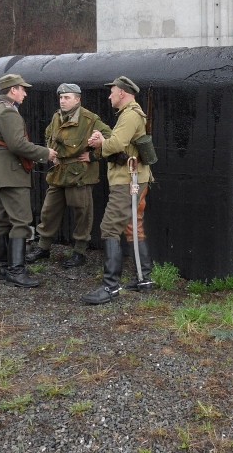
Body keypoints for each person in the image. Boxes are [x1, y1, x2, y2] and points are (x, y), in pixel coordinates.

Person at [81, 76, 153, 304]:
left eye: (112, 92)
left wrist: (100, 141)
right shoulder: (130, 114)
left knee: (110, 227)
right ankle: (144, 279)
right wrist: (103, 139)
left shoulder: (130, 115)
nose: (109, 96)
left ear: (122, 92)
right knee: (133, 226)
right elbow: (120, 142)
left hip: (128, 180)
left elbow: (115, 145)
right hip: (132, 178)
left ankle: (110, 287)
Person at [26, 83, 112, 268]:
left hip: (79, 175)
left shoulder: (90, 119)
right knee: (48, 211)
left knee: (82, 212)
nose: (62, 101)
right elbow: (49, 134)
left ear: (78, 99)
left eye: (67, 98)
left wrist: (93, 155)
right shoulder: (57, 116)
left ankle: (79, 252)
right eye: (61, 98)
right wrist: (51, 153)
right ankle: (43, 248)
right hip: (58, 173)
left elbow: (112, 140)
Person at [0, 73, 54, 288]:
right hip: (11, 172)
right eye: (22, 89)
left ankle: (5, 267)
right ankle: (16, 271)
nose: (25, 93)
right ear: (13, 90)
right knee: (20, 221)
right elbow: (17, 145)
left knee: (2, 219)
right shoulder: (8, 113)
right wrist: (45, 153)